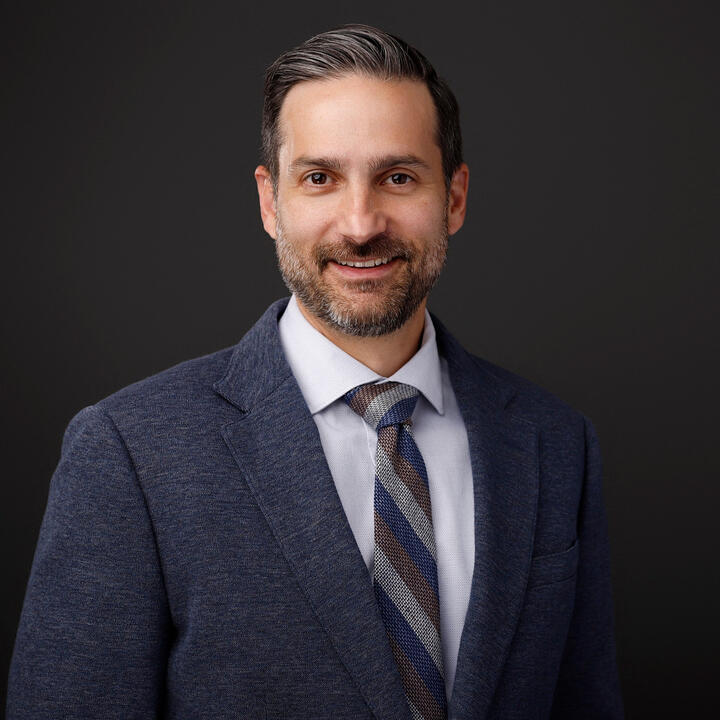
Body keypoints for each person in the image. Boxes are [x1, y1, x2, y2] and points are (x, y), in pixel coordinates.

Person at [7, 24, 623, 720]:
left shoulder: (554, 443)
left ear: (454, 198)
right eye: (320, 179)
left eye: (398, 177)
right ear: (271, 202)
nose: (360, 224)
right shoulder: (129, 452)